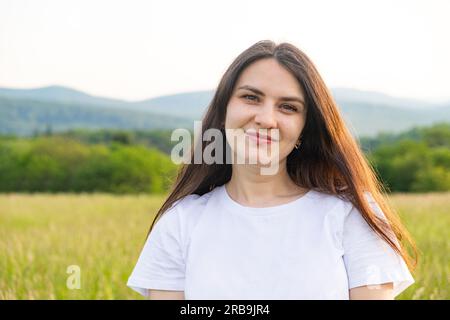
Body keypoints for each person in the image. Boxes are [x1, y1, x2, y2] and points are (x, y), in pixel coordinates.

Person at [127, 40, 418, 300]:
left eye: (288, 107)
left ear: (306, 127)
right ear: (224, 110)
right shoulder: (180, 222)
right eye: (251, 97)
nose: (266, 119)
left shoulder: (353, 215)